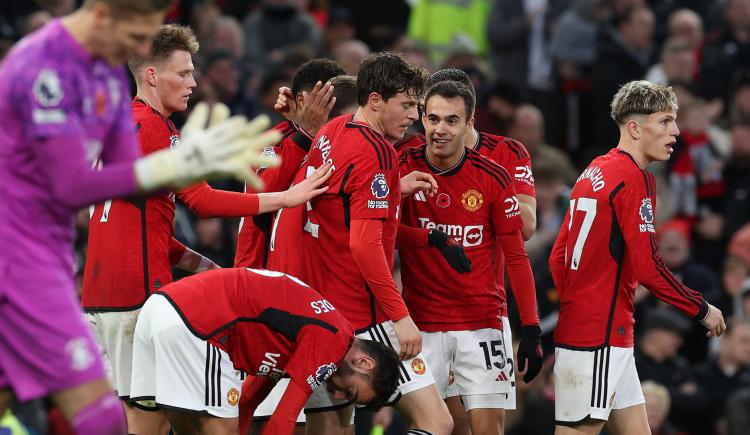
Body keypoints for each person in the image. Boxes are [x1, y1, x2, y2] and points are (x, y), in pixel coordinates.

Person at [0, 0, 280, 433]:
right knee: (116, 416)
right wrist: (173, 167)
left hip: (59, 265)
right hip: (22, 262)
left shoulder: (105, 85)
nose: (136, 48)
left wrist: (184, 169)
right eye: (135, 37)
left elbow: (130, 192)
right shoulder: (44, 67)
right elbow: (71, 186)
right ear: (103, 16)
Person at [81, 24, 331, 434]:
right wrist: (288, 197)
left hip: (101, 298)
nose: (193, 82)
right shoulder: (155, 128)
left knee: (143, 421)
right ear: (152, 75)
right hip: (139, 297)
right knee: (181, 419)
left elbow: (136, 219)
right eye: (183, 73)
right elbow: (203, 201)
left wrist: (195, 261)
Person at [549, 80, 726, 434]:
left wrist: (579, 301)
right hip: (599, 335)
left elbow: (558, 255)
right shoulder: (634, 178)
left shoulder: (593, 170)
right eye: (664, 121)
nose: (675, 131)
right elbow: (648, 266)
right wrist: (700, 308)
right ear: (634, 127)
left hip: (599, 329)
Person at [299, 52, 453, 435]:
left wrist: (394, 193)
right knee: (436, 422)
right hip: (364, 315)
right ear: (375, 101)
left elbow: (339, 208)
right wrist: (400, 317)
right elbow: (364, 246)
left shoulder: (331, 133)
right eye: (406, 105)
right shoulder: (377, 151)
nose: (414, 116)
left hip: (319, 308)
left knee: (333, 427)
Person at [398, 80, 543, 435]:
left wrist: (532, 329)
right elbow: (376, 232)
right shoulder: (401, 164)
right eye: (433, 119)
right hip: (419, 325)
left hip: (482, 323)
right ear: (422, 119)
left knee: (486, 429)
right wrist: (429, 239)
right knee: (434, 426)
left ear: (469, 123)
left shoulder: (493, 175)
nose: (440, 129)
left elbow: (517, 255)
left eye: (451, 120)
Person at [129, 267, 401, 435]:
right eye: (350, 391)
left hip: (160, 306)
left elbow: (247, 402)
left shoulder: (308, 334)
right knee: (219, 430)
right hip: (198, 322)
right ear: (364, 363)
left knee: (150, 427)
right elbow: (284, 417)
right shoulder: (332, 342)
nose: (337, 394)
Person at [235, 58, 346, 270]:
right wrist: (305, 135)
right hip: (260, 273)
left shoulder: (340, 141)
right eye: (328, 103)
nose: (338, 114)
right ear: (303, 102)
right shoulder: (272, 140)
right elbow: (261, 195)